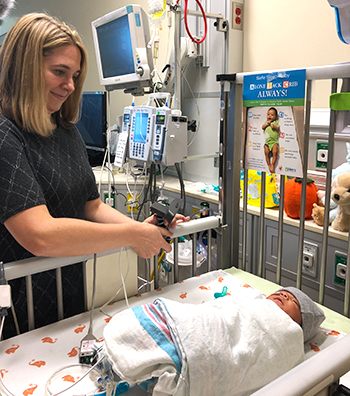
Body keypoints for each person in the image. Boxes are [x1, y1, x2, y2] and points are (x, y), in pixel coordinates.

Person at [0, 13, 188, 338]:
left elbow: (92, 206)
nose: (70, 85)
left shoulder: (66, 131)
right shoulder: (6, 134)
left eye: (74, 75)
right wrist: (131, 237)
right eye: (59, 72)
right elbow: (39, 234)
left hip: (67, 285)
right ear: (23, 68)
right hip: (17, 303)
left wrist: (138, 229)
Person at [102, 285, 325, 395]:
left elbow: (266, 355)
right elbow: (222, 313)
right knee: (184, 321)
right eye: (282, 292)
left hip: (210, 354)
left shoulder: (289, 337)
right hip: (204, 324)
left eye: (292, 301)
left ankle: (169, 363)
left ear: (299, 326)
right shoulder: (252, 302)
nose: (284, 295)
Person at [262, 107, 280, 173]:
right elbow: (262, 127)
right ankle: (269, 165)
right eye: (268, 114)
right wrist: (266, 124)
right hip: (267, 142)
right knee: (266, 153)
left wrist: (274, 127)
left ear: (275, 117)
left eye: (272, 115)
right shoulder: (266, 122)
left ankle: (272, 164)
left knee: (275, 152)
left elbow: (278, 129)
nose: (270, 116)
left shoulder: (275, 122)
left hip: (274, 142)